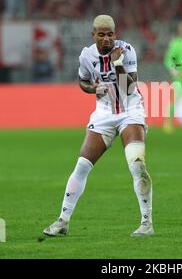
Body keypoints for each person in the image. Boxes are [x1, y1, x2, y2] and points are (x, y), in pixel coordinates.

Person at [43, 15, 153, 236]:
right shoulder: (86, 55)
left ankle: (146, 223)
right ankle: (63, 221)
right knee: (82, 166)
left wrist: (118, 63)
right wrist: (92, 88)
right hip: (103, 114)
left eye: (110, 34)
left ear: (115, 34)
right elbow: (82, 80)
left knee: (136, 165)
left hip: (130, 111)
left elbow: (129, 89)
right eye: (101, 34)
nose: (106, 39)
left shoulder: (126, 50)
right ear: (93, 35)